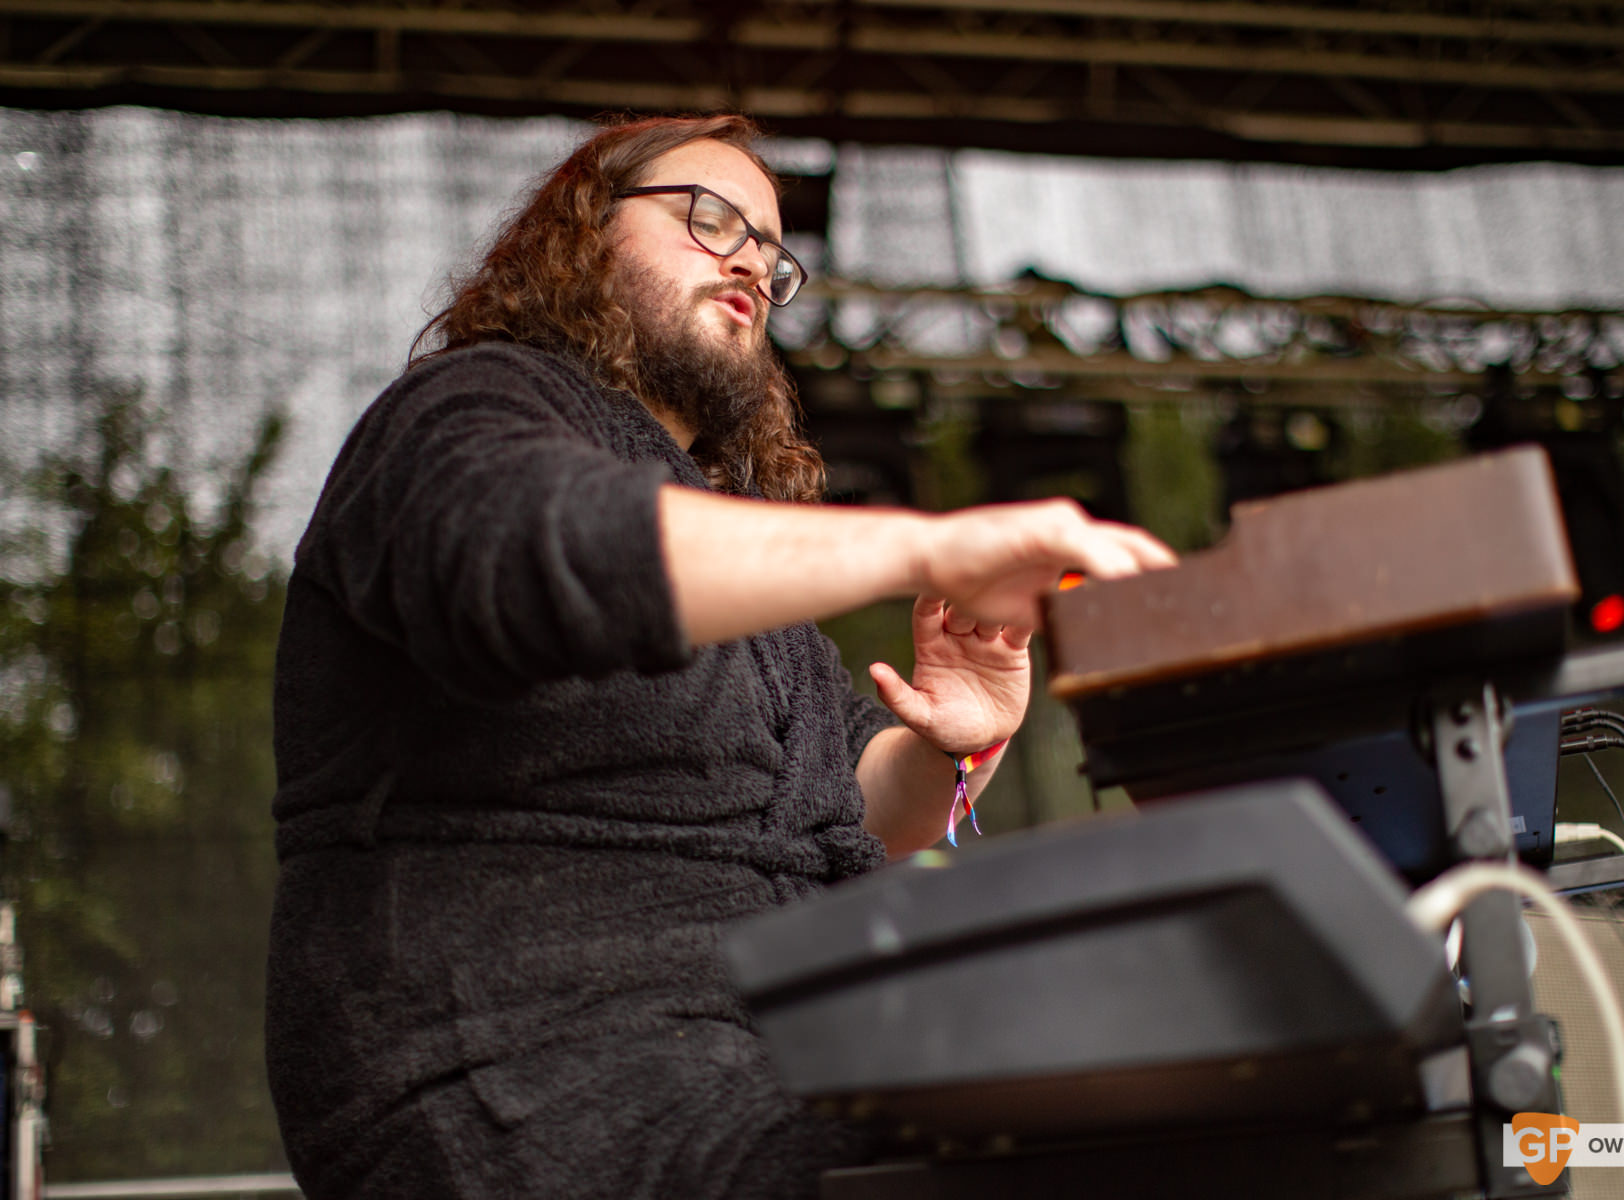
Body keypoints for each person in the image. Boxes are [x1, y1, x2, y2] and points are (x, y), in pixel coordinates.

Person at [263, 111, 1175, 1200]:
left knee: (1168, 1102)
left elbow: (848, 807)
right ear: (579, 235)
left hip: (766, 1057)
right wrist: (934, 544)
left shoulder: (737, 548)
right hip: (527, 1064)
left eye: (772, 249)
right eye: (708, 217)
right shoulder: (469, 406)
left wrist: (948, 744)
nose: (751, 255)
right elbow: (549, 552)